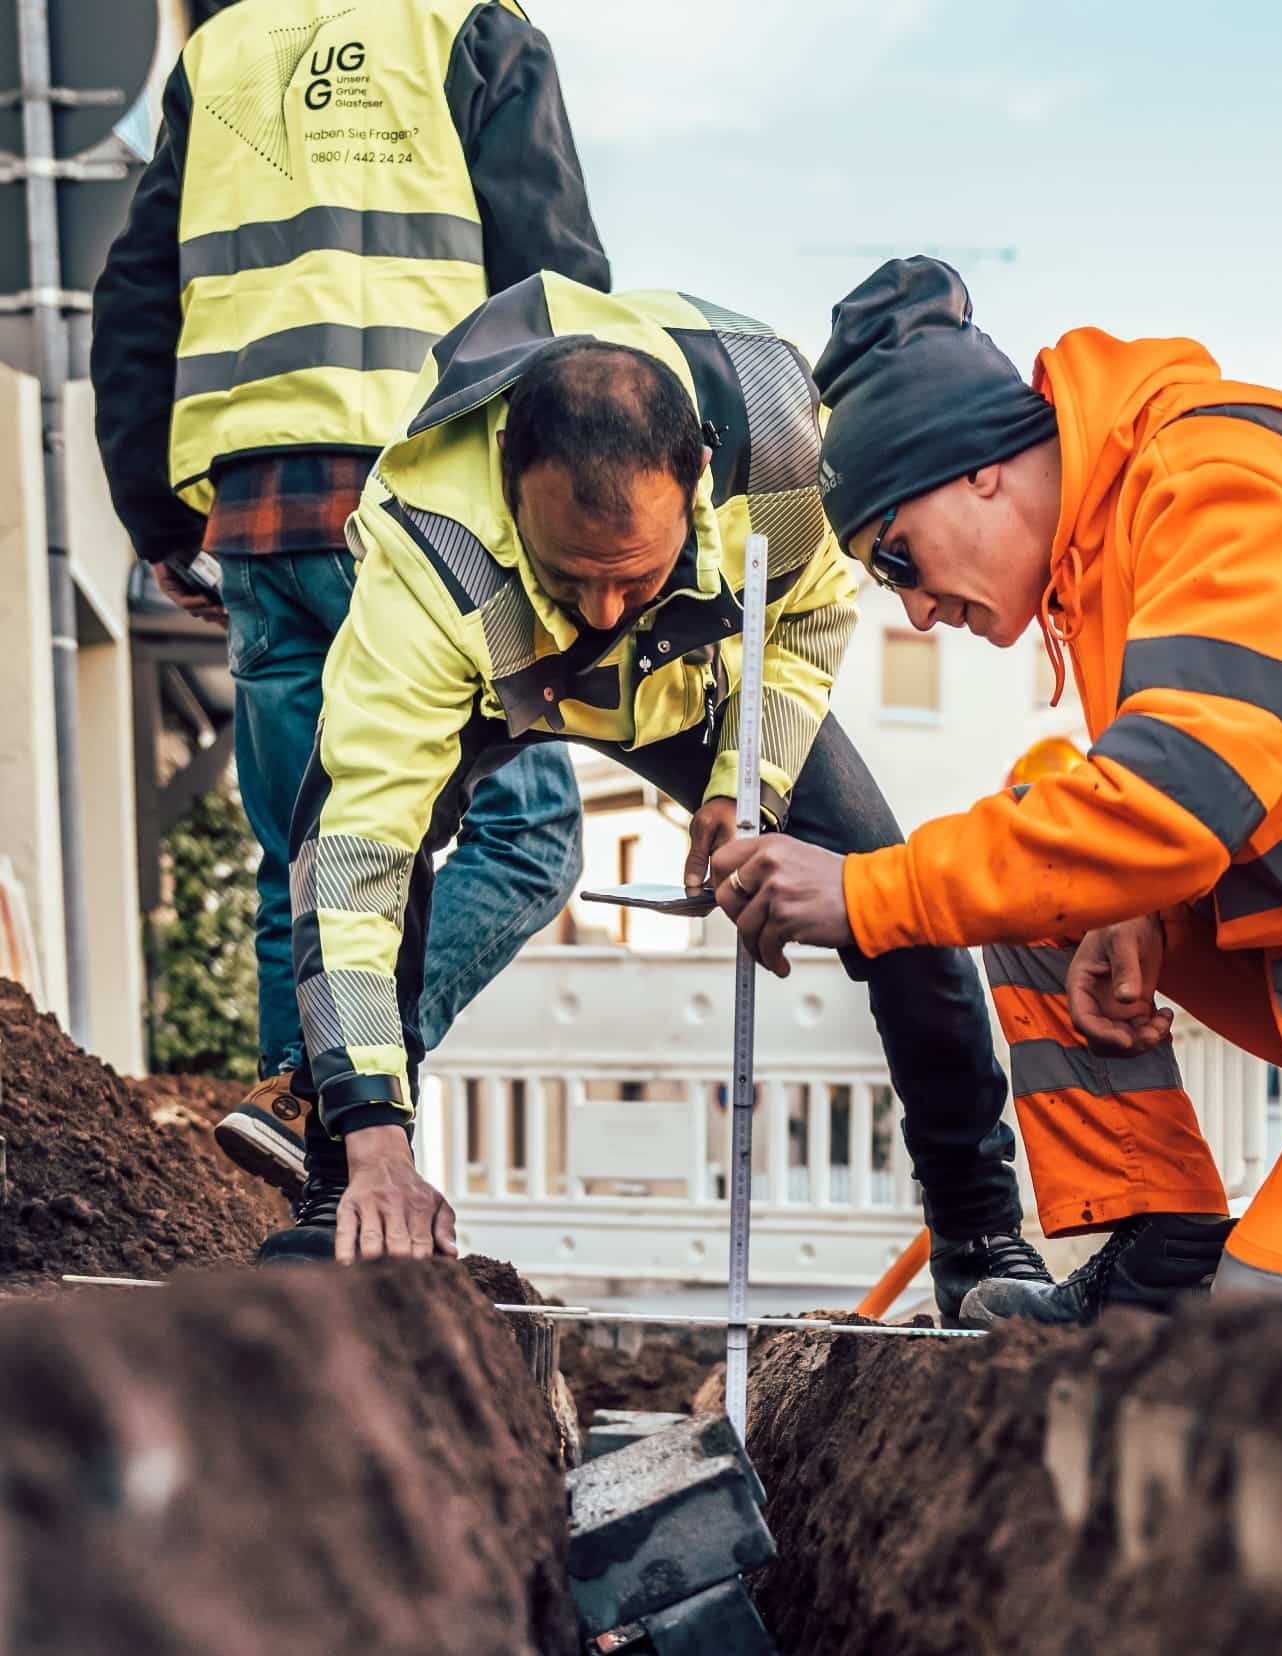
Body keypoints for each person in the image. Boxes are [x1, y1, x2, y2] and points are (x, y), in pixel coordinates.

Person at [710, 255, 1282, 1332]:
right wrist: (1144, 909)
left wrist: (865, 893)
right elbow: (1222, 773)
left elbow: (1177, 803)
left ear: (976, 470)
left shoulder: (1223, 485)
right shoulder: (1112, 543)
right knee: (1044, 885)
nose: (917, 611)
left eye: (897, 558)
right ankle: (1159, 1254)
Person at [258, 270, 1049, 1321]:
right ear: (509, 478)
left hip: (707, 685)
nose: (602, 608)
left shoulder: (790, 452)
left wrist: (745, 779)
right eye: (571, 573)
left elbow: (810, 617)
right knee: (365, 862)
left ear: (703, 480)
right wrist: (373, 1136)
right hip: (497, 677)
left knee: (896, 901)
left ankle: (981, 1236)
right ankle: (343, 1195)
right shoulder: (426, 551)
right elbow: (363, 858)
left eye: (632, 571)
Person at [91, 0, 609, 1195]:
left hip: (262, 516)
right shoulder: (468, 25)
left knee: (306, 853)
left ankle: (324, 1188)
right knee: (527, 834)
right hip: (430, 509)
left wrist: (159, 515)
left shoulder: (218, 50)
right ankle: (335, 1090)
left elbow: (135, 294)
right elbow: (561, 288)